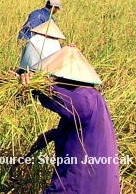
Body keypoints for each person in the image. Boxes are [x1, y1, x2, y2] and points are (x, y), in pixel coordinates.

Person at [22, 45, 120, 194]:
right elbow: (81, 128)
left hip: (80, 186)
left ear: (64, 78)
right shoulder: (94, 97)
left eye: (55, 77)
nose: (53, 80)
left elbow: (74, 106)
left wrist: (41, 89)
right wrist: (54, 134)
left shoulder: (85, 98)